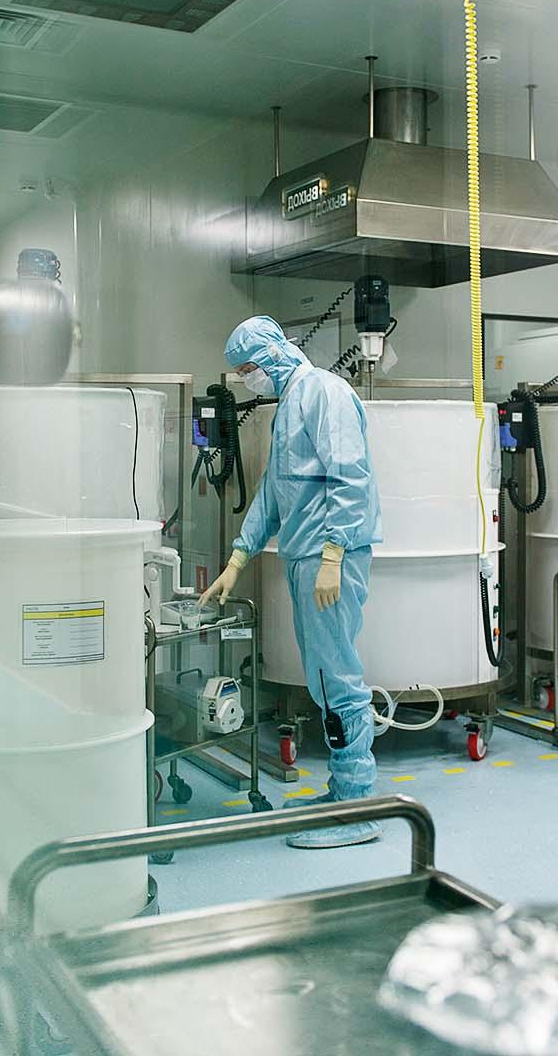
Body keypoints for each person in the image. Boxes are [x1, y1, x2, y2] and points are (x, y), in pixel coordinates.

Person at [200, 315, 382, 849]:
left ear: (272, 356)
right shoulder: (289, 406)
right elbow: (274, 492)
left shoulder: (324, 391)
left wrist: (333, 553)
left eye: (247, 369)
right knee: (323, 677)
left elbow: (350, 475)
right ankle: (341, 791)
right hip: (307, 557)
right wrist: (238, 558)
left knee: (338, 677)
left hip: (330, 558)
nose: (246, 379)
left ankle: (357, 807)